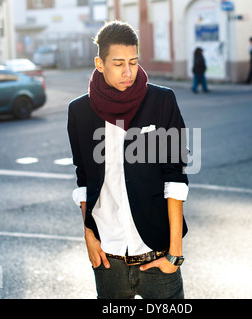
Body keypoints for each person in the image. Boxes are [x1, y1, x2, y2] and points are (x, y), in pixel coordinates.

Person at [67, 21, 189, 299]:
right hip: (108, 256)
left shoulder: (161, 101)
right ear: (100, 63)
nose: (128, 72)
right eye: (119, 63)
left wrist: (175, 253)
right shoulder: (79, 111)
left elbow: (175, 177)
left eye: (133, 62)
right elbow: (83, 176)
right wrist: (89, 235)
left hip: (156, 253)